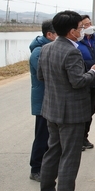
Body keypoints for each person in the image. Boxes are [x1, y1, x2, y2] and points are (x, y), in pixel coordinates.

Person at [37, 10, 95, 191]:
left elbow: (41, 76)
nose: (83, 30)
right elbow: (78, 81)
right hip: (71, 114)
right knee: (69, 158)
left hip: (51, 110)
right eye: (81, 27)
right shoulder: (71, 52)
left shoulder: (45, 49)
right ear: (72, 31)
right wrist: (93, 72)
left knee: (52, 152)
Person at [28, 20, 57, 180]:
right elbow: (47, 74)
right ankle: (36, 168)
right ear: (49, 34)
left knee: (49, 136)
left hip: (51, 99)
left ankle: (45, 166)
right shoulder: (38, 52)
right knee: (42, 135)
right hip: (43, 100)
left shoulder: (47, 49)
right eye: (57, 34)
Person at [76, 14, 95, 151]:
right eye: (85, 25)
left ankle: (84, 137)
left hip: (94, 82)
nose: (88, 26)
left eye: (89, 23)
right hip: (82, 82)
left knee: (90, 111)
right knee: (81, 112)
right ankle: (78, 139)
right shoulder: (77, 44)